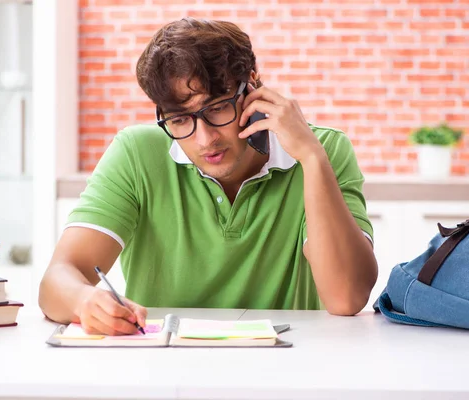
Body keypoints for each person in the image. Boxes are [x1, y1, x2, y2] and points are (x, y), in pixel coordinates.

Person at [39, 18, 378, 335]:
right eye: (179, 120)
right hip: (164, 371)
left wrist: (311, 158)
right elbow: (57, 280)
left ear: (253, 85)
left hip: (283, 370)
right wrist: (83, 301)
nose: (204, 140)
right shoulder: (136, 153)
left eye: (216, 108)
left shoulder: (323, 150)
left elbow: (346, 297)